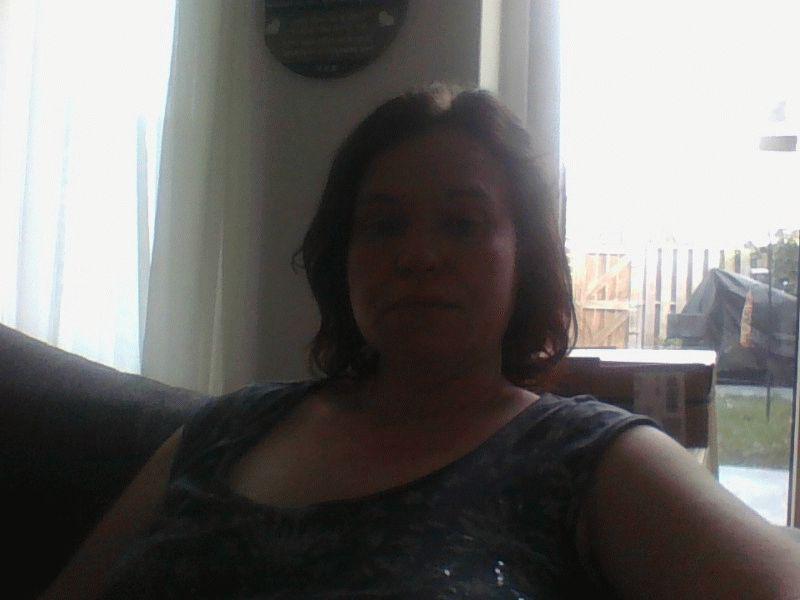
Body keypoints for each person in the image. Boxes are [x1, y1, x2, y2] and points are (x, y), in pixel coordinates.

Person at [43, 85, 800, 599]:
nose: (418, 255)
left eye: (462, 224)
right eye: (383, 225)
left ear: (524, 260)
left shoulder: (585, 459)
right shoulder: (223, 429)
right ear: (343, 259)